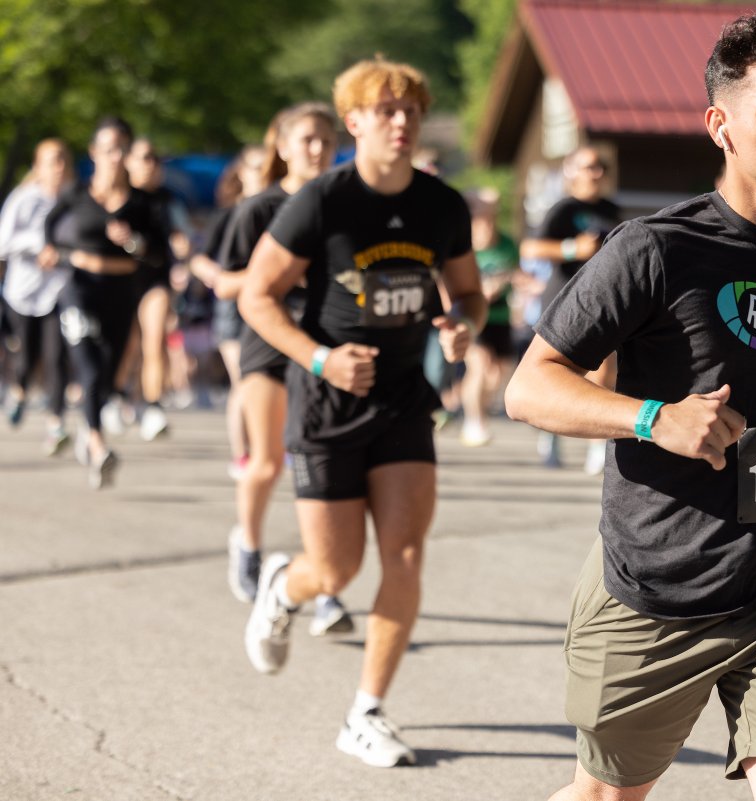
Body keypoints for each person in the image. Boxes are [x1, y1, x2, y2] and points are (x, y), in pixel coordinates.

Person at [506, 9, 756, 799]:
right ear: (721, 125)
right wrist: (654, 416)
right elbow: (530, 384)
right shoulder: (655, 249)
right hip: (661, 584)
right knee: (607, 794)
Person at [238, 57, 485, 767]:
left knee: (404, 555)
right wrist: (319, 359)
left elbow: (467, 293)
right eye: (385, 110)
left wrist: (464, 323)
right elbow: (257, 296)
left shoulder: (443, 205)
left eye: (409, 109)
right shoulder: (321, 201)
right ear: (355, 123)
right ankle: (286, 588)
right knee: (336, 569)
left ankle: (366, 711)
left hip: (404, 397)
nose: (401, 121)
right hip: (326, 401)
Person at [216, 103, 351, 643]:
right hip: (268, 346)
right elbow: (228, 285)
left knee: (318, 468)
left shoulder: (344, 205)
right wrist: (273, 273)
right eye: (307, 140)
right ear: (284, 146)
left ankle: (326, 586)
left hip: (324, 347)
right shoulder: (260, 207)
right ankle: (248, 546)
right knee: (269, 461)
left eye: (325, 140)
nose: (317, 149)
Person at [44, 117, 169, 489]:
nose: (116, 156)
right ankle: (98, 442)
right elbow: (50, 231)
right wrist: (63, 255)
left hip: (121, 290)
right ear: (94, 152)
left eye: (122, 149)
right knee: (88, 362)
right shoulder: (76, 195)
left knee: (110, 369)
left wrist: (133, 242)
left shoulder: (143, 204)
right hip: (79, 288)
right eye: (109, 148)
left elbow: (159, 254)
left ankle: (89, 427)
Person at [519, 146, 622, 473]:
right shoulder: (562, 209)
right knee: (561, 373)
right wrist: (570, 248)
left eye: (600, 168)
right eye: (588, 167)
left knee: (605, 370)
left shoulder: (611, 209)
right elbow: (531, 247)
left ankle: (597, 444)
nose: (595, 174)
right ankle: (550, 432)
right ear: (571, 172)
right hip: (564, 300)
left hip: (603, 301)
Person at [189, 144, 268, 478]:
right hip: (232, 308)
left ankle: (267, 448)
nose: (261, 172)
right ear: (240, 173)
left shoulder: (281, 210)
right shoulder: (229, 214)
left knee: (265, 381)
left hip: (269, 304)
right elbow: (199, 259)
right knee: (244, 380)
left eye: (266, 166)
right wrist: (218, 278)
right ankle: (243, 454)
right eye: (254, 166)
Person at [0, 138, 74, 454]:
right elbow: (3, 243)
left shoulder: (73, 201)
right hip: (23, 291)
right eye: (51, 160)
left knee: (57, 357)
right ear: (38, 165)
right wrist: (37, 246)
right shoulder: (23, 199)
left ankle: (56, 424)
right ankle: (18, 390)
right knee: (28, 357)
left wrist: (60, 253)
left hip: (58, 289)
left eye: (62, 160)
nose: (58, 167)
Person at [119, 138, 189, 441]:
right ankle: (119, 395)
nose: (151, 165)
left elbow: (179, 235)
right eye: (144, 158)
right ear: (129, 162)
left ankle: (153, 406)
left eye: (155, 159)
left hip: (156, 279)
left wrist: (184, 253)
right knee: (128, 346)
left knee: (154, 340)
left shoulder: (167, 200)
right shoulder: (119, 199)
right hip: (120, 282)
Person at [459, 187, 518, 447]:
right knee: (480, 365)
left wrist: (508, 282)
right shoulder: (462, 243)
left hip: (500, 316)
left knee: (498, 374)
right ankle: (474, 421)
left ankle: (478, 412)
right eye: (483, 211)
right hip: (471, 314)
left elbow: (515, 273)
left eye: (493, 211)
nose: (488, 217)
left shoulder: (507, 243)